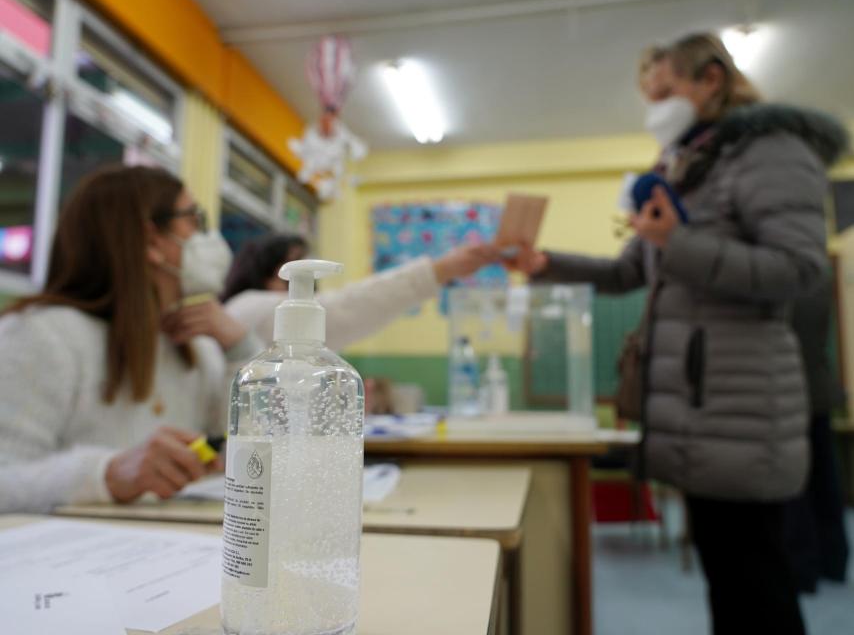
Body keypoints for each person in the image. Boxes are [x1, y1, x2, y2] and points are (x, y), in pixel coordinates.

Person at [509, 33, 848, 635]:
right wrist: (546, 264)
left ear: (710, 79)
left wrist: (678, 242)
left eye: (664, 92)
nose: (653, 108)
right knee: (729, 580)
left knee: (758, 582)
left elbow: (799, 270)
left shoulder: (771, 152)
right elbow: (628, 271)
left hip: (743, 407)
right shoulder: (686, 163)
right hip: (698, 408)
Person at [0, 165, 262, 513]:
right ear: (151, 241)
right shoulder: (41, 336)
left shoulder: (197, 349)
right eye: (193, 220)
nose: (208, 238)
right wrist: (106, 475)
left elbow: (248, 461)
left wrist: (242, 350)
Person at [223, 233, 502, 350]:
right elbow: (347, 307)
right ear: (267, 271)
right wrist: (440, 269)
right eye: (295, 262)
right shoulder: (247, 306)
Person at [785, 272, 850, 591]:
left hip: (792, 395)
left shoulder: (783, 285)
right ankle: (834, 560)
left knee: (798, 485)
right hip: (818, 392)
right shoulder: (819, 279)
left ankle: (804, 565)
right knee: (825, 480)